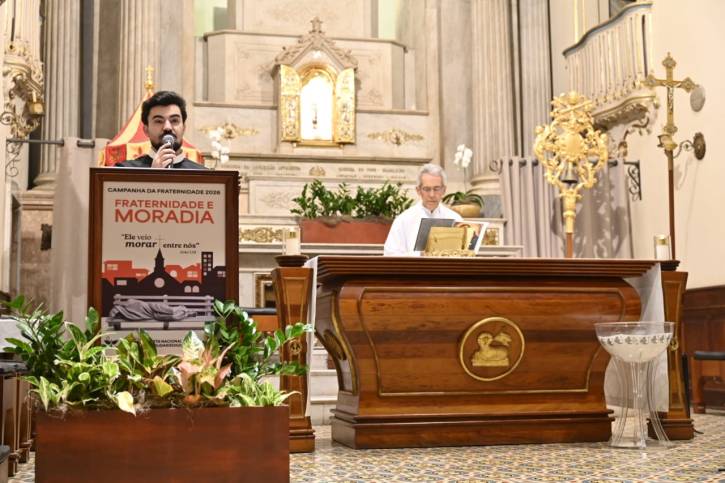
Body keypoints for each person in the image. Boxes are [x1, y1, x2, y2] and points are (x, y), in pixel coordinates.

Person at [383, 163, 462, 256]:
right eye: (427, 189)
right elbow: (390, 255)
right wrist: (419, 255)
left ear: (444, 190)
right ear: (418, 190)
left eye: (436, 189)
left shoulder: (455, 219)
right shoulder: (403, 220)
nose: (432, 195)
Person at [115, 90, 206, 169]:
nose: (167, 127)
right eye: (159, 121)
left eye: (174, 120)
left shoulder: (203, 175)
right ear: (146, 130)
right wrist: (153, 175)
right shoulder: (124, 171)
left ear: (184, 128)